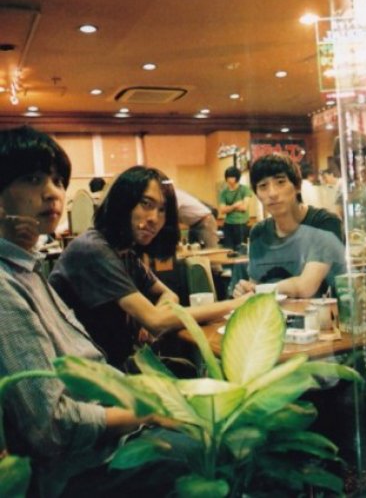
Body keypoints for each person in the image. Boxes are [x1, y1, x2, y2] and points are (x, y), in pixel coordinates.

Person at [0, 126, 192, 497]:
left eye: (58, 181)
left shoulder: (29, 269)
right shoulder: (8, 284)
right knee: (220, 453)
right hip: (84, 464)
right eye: (33, 178)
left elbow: (93, 365)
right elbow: (53, 428)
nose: (53, 192)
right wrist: (151, 411)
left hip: (113, 422)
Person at [50, 165, 247, 369]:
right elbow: (157, 322)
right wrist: (236, 304)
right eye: (146, 204)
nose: (154, 219)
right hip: (84, 372)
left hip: (113, 363)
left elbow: (169, 295)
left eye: (162, 210)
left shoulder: (125, 253)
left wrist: (149, 317)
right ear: (122, 203)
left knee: (188, 369)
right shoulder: (93, 250)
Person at [233, 154, 346, 299]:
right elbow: (254, 285)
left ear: (297, 186)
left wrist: (258, 290)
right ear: (257, 194)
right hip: (278, 312)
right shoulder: (259, 232)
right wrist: (245, 290)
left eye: (280, 182)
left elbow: (305, 287)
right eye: (263, 186)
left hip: (326, 312)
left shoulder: (325, 223)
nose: (272, 193)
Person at [218, 165, 252, 250]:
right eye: (228, 177)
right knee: (228, 250)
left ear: (237, 178)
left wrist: (228, 208)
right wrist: (235, 205)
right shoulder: (224, 193)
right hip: (228, 224)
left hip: (241, 224)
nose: (229, 179)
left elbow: (244, 208)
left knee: (241, 249)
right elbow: (222, 210)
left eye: (231, 176)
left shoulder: (244, 189)